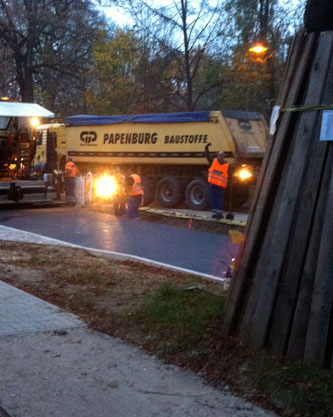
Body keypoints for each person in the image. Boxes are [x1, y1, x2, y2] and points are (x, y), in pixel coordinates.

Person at [205, 143, 229, 219]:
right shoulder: (226, 164)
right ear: (223, 157)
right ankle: (219, 214)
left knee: (213, 198)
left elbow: (207, 156)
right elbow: (229, 174)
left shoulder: (213, 161)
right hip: (221, 185)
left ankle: (214, 214)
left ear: (217, 156)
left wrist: (206, 147)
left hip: (213, 184)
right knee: (219, 199)